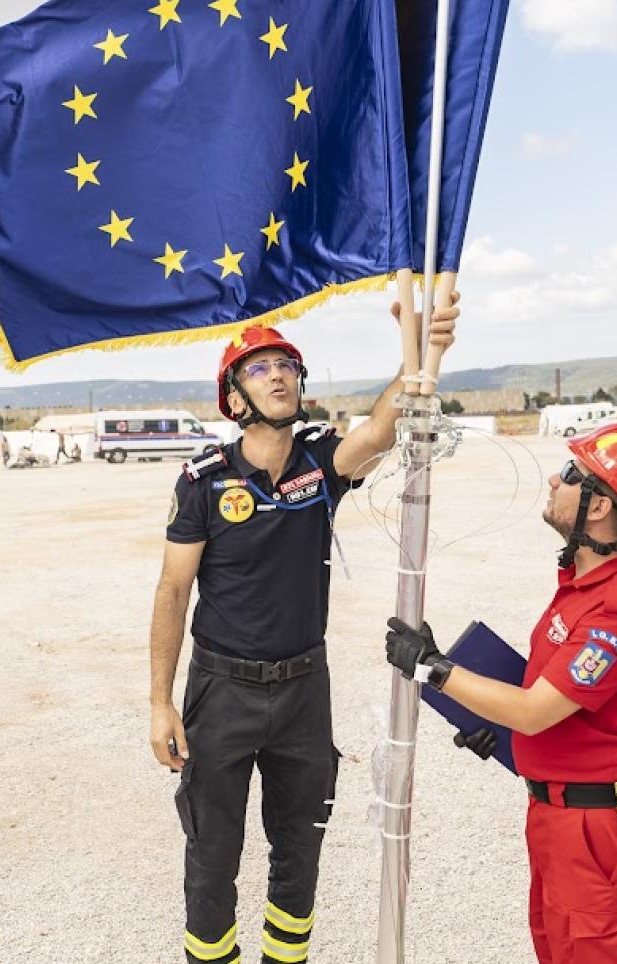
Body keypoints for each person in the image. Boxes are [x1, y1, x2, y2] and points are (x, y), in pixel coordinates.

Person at [149, 298, 459, 964]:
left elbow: (380, 430)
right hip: (222, 690)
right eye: (259, 369)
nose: (279, 376)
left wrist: (420, 350)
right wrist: (159, 702)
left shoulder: (320, 464)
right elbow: (174, 591)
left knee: (299, 852)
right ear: (235, 397)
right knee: (212, 855)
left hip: (301, 694)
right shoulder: (204, 481)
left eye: (286, 365)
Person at [384, 423, 617, 964]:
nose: (554, 479)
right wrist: (499, 732)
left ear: (599, 509)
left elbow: (536, 710)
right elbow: (558, 707)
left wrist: (434, 671)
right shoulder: (583, 584)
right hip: (560, 818)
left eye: (573, 474)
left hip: (598, 829)